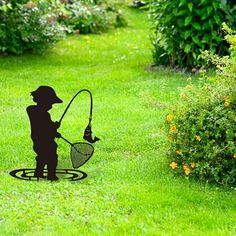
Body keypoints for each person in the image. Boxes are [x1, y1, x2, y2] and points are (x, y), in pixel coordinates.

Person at [26, 86, 62, 181]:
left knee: (42, 157)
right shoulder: (43, 114)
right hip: (45, 141)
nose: (51, 106)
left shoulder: (33, 110)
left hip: (38, 140)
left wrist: (54, 131)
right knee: (52, 158)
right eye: (50, 103)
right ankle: (51, 175)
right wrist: (55, 127)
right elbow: (46, 128)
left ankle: (39, 172)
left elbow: (45, 127)